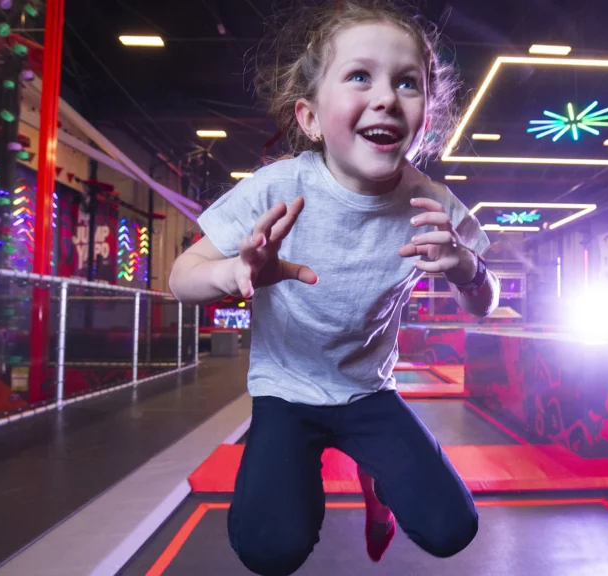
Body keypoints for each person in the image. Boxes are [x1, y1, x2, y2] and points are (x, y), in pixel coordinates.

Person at [169, 2, 500, 574]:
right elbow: (180, 277)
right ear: (311, 118)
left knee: (453, 529)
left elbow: (485, 306)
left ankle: (377, 480)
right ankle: (311, 466)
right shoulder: (277, 189)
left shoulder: (433, 204)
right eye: (359, 76)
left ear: (424, 119)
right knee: (269, 551)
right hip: (286, 392)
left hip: (368, 391)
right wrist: (235, 273)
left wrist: (466, 268)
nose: (386, 97)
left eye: (407, 83)